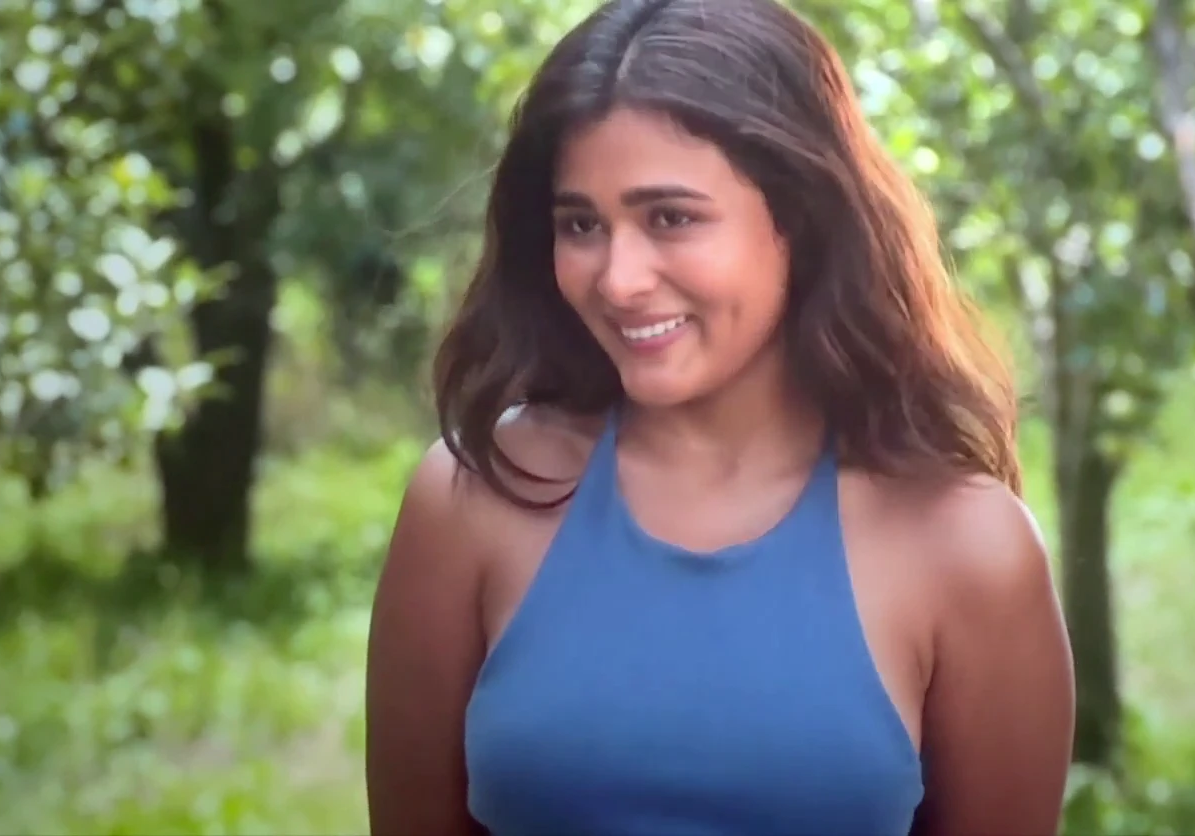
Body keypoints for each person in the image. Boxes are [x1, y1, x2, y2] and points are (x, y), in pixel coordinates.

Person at [363, 0, 1077, 834]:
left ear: (799, 219)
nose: (618, 278)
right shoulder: (473, 498)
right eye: (581, 224)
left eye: (671, 217)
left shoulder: (966, 545)